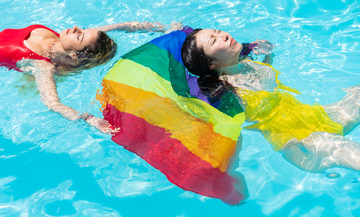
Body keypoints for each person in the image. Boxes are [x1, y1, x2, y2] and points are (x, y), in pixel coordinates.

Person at [181, 28, 360, 172]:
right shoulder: (226, 93)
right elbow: (228, 130)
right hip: (301, 141)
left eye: (218, 31)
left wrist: (267, 56)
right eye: (214, 40)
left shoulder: (247, 62)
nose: (224, 36)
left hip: (317, 115)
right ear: (211, 64)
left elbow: (266, 81)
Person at [0, 21, 163, 133]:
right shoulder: (67, 40)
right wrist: (162, 28)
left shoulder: (42, 66)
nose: (76, 28)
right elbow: (123, 25)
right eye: (83, 30)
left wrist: (89, 118)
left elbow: (53, 104)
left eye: (79, 36)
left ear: (74, 55)